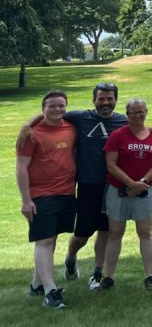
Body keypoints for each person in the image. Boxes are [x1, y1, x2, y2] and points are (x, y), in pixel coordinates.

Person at [17, 82, 131, 289]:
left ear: (115, 100)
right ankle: (71, 256)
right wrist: (28, 123)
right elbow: (52, 112)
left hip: (113, 186)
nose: (105, 102)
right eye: (101, 99)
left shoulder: (123, 121)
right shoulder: (79, 118)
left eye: (109, 98)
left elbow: (141, 131)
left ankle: (97, 272)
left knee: (105, 230)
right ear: (94, 100)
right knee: (82, 234)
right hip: (87, 185)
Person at [16, 90, 76, 309]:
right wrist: (26, 200)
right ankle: (51, 292)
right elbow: (21, 168)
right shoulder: (31, 134)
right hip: (41, 195)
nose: (57, 109)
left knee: (51, 238)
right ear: (43, 108)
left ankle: (36, 284)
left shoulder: (70, 127)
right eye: (52, 106)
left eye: (61, 105)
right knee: (44, 240)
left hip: (67, 192)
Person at [97, 98, 152, 291]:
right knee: (115, 232)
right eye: (133, 112)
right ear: (127, 114)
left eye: (141, 111)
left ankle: (150, 275)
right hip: (119, 190)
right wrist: (130, 184)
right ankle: (109, 276)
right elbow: (111, 164)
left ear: (146, 112)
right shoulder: (118, 135)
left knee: (145, 232)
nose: (138, 115)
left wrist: (142, 183)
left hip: (145, 191)